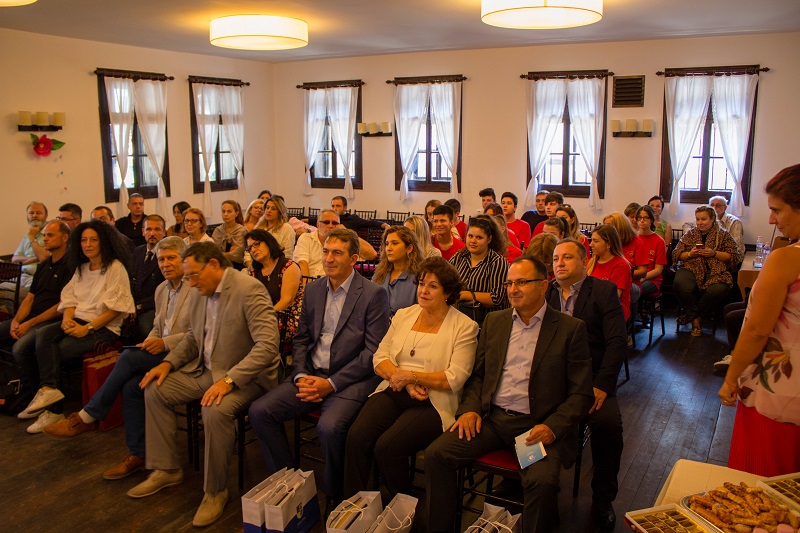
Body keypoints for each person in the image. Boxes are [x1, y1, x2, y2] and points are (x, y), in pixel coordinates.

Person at [425, 256, 593, 533]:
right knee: (437, 455)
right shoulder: (496, 321)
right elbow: (478, 375)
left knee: (541, 482)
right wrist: (470, 409)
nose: (513, 289)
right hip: (492, 420)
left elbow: (581, 394)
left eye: (521, 282)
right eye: (509, 283)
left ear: (543, 286)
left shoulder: (569, 329)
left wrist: (552, 427)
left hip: (534, 428)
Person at [130, 242, 281, 528]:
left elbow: (267, 346)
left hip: (246, 376)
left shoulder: (249, 289)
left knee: (215, 409)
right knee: (155, 388)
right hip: (207, 370)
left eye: (193, 275)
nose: (190, 282)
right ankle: (166, 469)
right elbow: (192, 337)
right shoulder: (200, 290)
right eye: (188, 277)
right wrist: (168, 363)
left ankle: (215, 491)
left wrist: (229, 380)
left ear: (213, 264)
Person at [248, 228, 390, 506]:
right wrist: (301, 374)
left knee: (329, 427)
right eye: (325, 251)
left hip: (349, 381)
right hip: (311, 373)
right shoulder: (313, 289)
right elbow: (301, 338)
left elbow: (372, 352)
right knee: (260, 411)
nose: (328, 258)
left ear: (353, 259)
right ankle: (290, 485)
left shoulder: (373, 294)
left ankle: (335, 496)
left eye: (337, 253)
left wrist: (331, 383)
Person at [42, 237, 190, 480]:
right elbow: (157, 326)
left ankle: (88, 416)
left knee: (129, 357)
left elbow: (197, 333)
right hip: (161, 351)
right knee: (131, 386)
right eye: (161, 259)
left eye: (172, 258)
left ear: (184, 259)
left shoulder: (195, 288)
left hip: (185, 353)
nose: (166, 264)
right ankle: (138, 454)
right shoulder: (162, 289)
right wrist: (150, 340)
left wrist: (164, 343)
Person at [345, 257, 478, 504]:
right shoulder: (404, 315)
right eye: (421, 283)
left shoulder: (464, 326)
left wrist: (413, 377)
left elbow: (455, 378)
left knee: (388, 447)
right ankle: (354, 504)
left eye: (433, 286)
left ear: (448, 293)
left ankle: (400, 507)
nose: (423, 290)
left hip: (433, 401)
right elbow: (380, 357)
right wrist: (405, 381)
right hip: (397, 388)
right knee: (357, 435)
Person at [718, 163, 800, 477]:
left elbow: (756, 330)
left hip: (781, 392)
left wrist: (731, 378)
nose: (771, 219)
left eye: (777, 210)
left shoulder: (787, 259)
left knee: (763, 486)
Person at [18, 220, 134, 433]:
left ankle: (54, 410)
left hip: (103, 328)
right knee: (42, 334)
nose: (87, 244)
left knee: (58, 351)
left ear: (104, 242)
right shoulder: (82, 268)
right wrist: (66, 318)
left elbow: (116, 310)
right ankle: (48, 391)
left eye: (93, 240)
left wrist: (87, 329)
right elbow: (69, 297)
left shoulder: (115, 267)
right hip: (78, 320)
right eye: (83, 240)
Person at [546, 239, 628, 531]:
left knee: (608, 426)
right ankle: (525, 482)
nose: (560, 263)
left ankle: (603, 499)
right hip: (552, 381)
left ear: (585, 262)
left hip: (591, 380)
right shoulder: (545, 292)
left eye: (567, 257)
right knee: (519, 411)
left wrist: (603, 384)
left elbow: (617, 341)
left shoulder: (603, 291)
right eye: (556, 258)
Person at [0, 221, 72, 408]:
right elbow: (30, 297)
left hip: (50, 320)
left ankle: (37, 396)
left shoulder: (70, 266)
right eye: (44, 235)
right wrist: (16, 320)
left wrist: (30, 323)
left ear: (65, 238)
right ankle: (9, 388)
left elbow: (62, 305)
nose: (45, 238)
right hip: (31, 317)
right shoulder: (44, 264)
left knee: (20, 348)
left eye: (50, 235)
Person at [672, 205, 740, 337]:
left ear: (712, 219)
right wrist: (690, 254)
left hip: (715, 270)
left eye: (703, 219)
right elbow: (677, 254)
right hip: (691, 267)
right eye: (697, 219)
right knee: (680, 284)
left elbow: (733, 256)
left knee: (719, 289)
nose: (700, 223)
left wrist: (714, 253)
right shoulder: (690, 234)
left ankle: (693, 316)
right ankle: (696, 319)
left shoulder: (723, 235)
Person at [246, 229, 303, 344]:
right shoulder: (254, 271)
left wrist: (263, 317)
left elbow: (287, 301)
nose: (253, 250)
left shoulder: (289, 266)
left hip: (286, 317)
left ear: (269, 242)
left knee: (250, 332)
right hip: (264, 317)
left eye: (257, 244)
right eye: (250, 248)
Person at [451, 217, 509, 324]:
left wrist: (465, 295)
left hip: (487, 322)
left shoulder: (498, 262)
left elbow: (497, 298)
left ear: (489, 239)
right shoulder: (459, 257)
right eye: (470, 236)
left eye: (479, 237)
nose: (473, 241)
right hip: (458, 319)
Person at [372, 226, 422, 317]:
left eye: (394, 243)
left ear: (409, 248)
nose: (388, 248)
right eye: (387, 244)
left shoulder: (419, 276)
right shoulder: (380, 273)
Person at [131, 215, 167, 339]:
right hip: (133, 304)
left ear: (164, 232)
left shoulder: (167, 256)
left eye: (157, 229)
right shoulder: (137, 251)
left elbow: (166, 290)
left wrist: (140, 306)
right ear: (143, 232)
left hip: (154, 306)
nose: (152, 233)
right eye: (148, 229)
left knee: (146, 329)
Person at [588, 224, 632, 322]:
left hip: (613, 313)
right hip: (594, 308)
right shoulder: (592, 262)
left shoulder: (621, 265)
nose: (591, 244)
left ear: (608, 244)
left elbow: (614, 297)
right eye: (591, 240)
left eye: (596, 241)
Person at [603, 212, 646, 307]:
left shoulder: (636, 242)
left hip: (631, 283)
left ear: (619, 227)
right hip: (607, 281)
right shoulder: (605, 243)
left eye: (609, 226)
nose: (605, 230)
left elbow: (643, 271)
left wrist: (622, 275)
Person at [10, 201, 49, 290]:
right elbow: (14, 259)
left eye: (39, 213)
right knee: (2, 288)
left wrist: (32, 238)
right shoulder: (27, 235)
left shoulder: (49, 234)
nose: (34, 215)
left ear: (46, 216)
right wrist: (35, 258)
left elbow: (44, 258)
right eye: (31, 213)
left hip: (38, 278)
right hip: (21, 276)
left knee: (15, 295)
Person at [635, 205, 667, 298]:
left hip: (652, 279)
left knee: (634, 290)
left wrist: (643, 277)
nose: (642, 220)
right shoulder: (633, 238)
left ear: (651, 220)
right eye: (640, 217)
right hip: (635, 276)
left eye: (646, 218)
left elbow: (658, 270)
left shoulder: (659, 241)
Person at [709, 195, 745, 263]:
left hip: (731, 257)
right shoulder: (708, 221)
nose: (714, 208)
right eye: (712, 205)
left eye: (718, 205)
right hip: (711, 256)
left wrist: (716, 253)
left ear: (725, 207)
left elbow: (737, 246)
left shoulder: (735, 222)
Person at [212, 199, 247, 268]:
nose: (225, 214)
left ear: (236, 213)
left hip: (237, 266)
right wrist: (228, 254)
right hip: (220, 265)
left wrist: (222, 254)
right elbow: (213, 252)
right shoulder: (218, 230)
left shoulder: (241, 231)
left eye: (229, 211)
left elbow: (238, 254)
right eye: (223, 211)